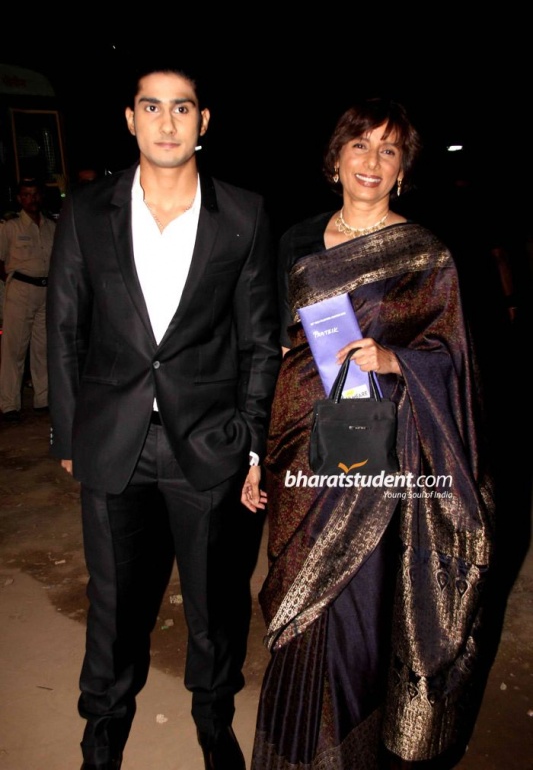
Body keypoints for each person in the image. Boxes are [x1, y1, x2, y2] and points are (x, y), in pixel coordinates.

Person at [245, 99, 494, 769]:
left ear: (403, 170)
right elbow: (276, 349)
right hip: (299, 444)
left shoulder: (425, 253)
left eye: (389, 150)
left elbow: (454, 356)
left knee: (355, 602)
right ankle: (296, 750)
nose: (372, 161)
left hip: (378, 451)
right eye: (360, 145)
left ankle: (350, 749)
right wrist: (255, 454)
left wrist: (396, 360)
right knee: (299, 593)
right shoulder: (295, 240)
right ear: (335, 158)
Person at [47, 62, 280, 770]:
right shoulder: (86, 211)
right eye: (152, 107)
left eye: (182, 108)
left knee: (214, 604)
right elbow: (64, 328)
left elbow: (258, 340)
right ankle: (102, 730)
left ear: (202, 121)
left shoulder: (243, 213)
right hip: (112, 442)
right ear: (130, 119)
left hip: (206, 445)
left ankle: (213, 721)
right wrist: (68, 433)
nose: (167, 122)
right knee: (114, 604)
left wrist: (249, 442)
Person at [0, 178, 55, 422]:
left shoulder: (51, 226)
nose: (31, 199)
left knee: (43, 348)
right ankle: (9, 404)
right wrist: (10, 284)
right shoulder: (10, 227)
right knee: (14, 349)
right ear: (19, 198)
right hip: (21, 289)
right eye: (26, 195)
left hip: (46, 290)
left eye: (35, 194)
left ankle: (43, 398)